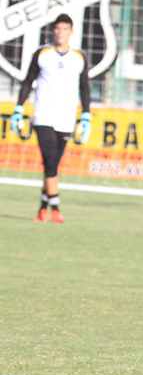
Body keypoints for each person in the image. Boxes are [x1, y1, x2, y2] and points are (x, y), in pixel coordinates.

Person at [10, 13, 91, 224]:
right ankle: (55, 208)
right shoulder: (42, 54)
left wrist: (86, 114)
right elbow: (28, 81)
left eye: (64, 29)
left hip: (66, 118)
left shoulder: (79, 57)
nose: (60, 32)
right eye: (57, 28)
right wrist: (18, 108)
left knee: (53, 164)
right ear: (53, 30)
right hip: (43, 116)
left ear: (71, 31)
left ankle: (42, 209)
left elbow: (84, 87)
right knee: (50, 161)